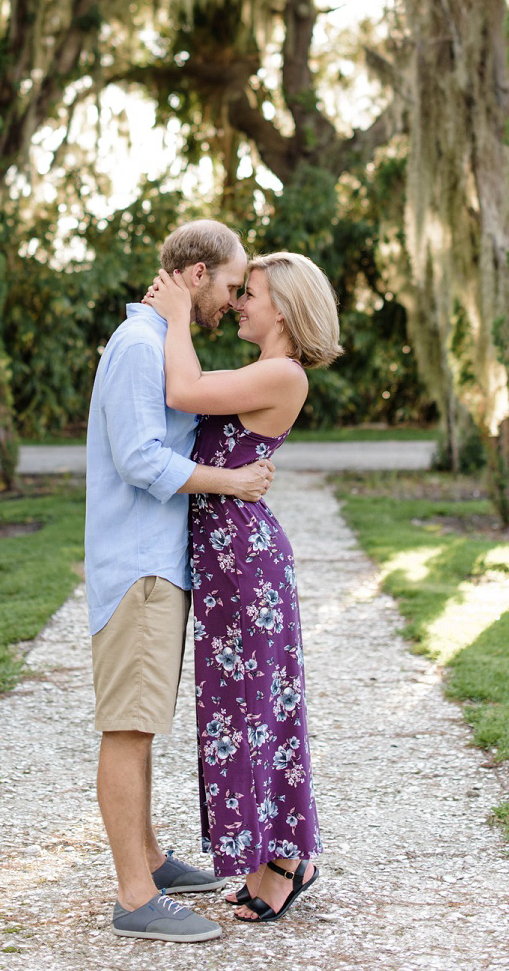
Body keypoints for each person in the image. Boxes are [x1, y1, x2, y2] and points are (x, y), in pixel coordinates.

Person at [84, 219, 277, 944]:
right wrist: (232, 482)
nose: (233, 304)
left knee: (143, 725)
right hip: (139, 567)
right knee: (129, 729)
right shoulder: (139, 346)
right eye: (230, 287)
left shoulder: (157, 342)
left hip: (157, 566)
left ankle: (153, 861)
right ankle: (136, 896)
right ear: (197, 276)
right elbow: (139, 458)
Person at [145, 251, 342, 925]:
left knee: (258, 712)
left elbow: (184, 391)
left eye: (248, 293)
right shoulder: (263, 370)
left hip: (246, 562)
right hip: (229, 559)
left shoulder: (282, 374)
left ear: (282, 308)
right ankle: (272, 855)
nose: (237, 304)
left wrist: (175, 315)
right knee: (242, 712)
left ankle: (288, 861)